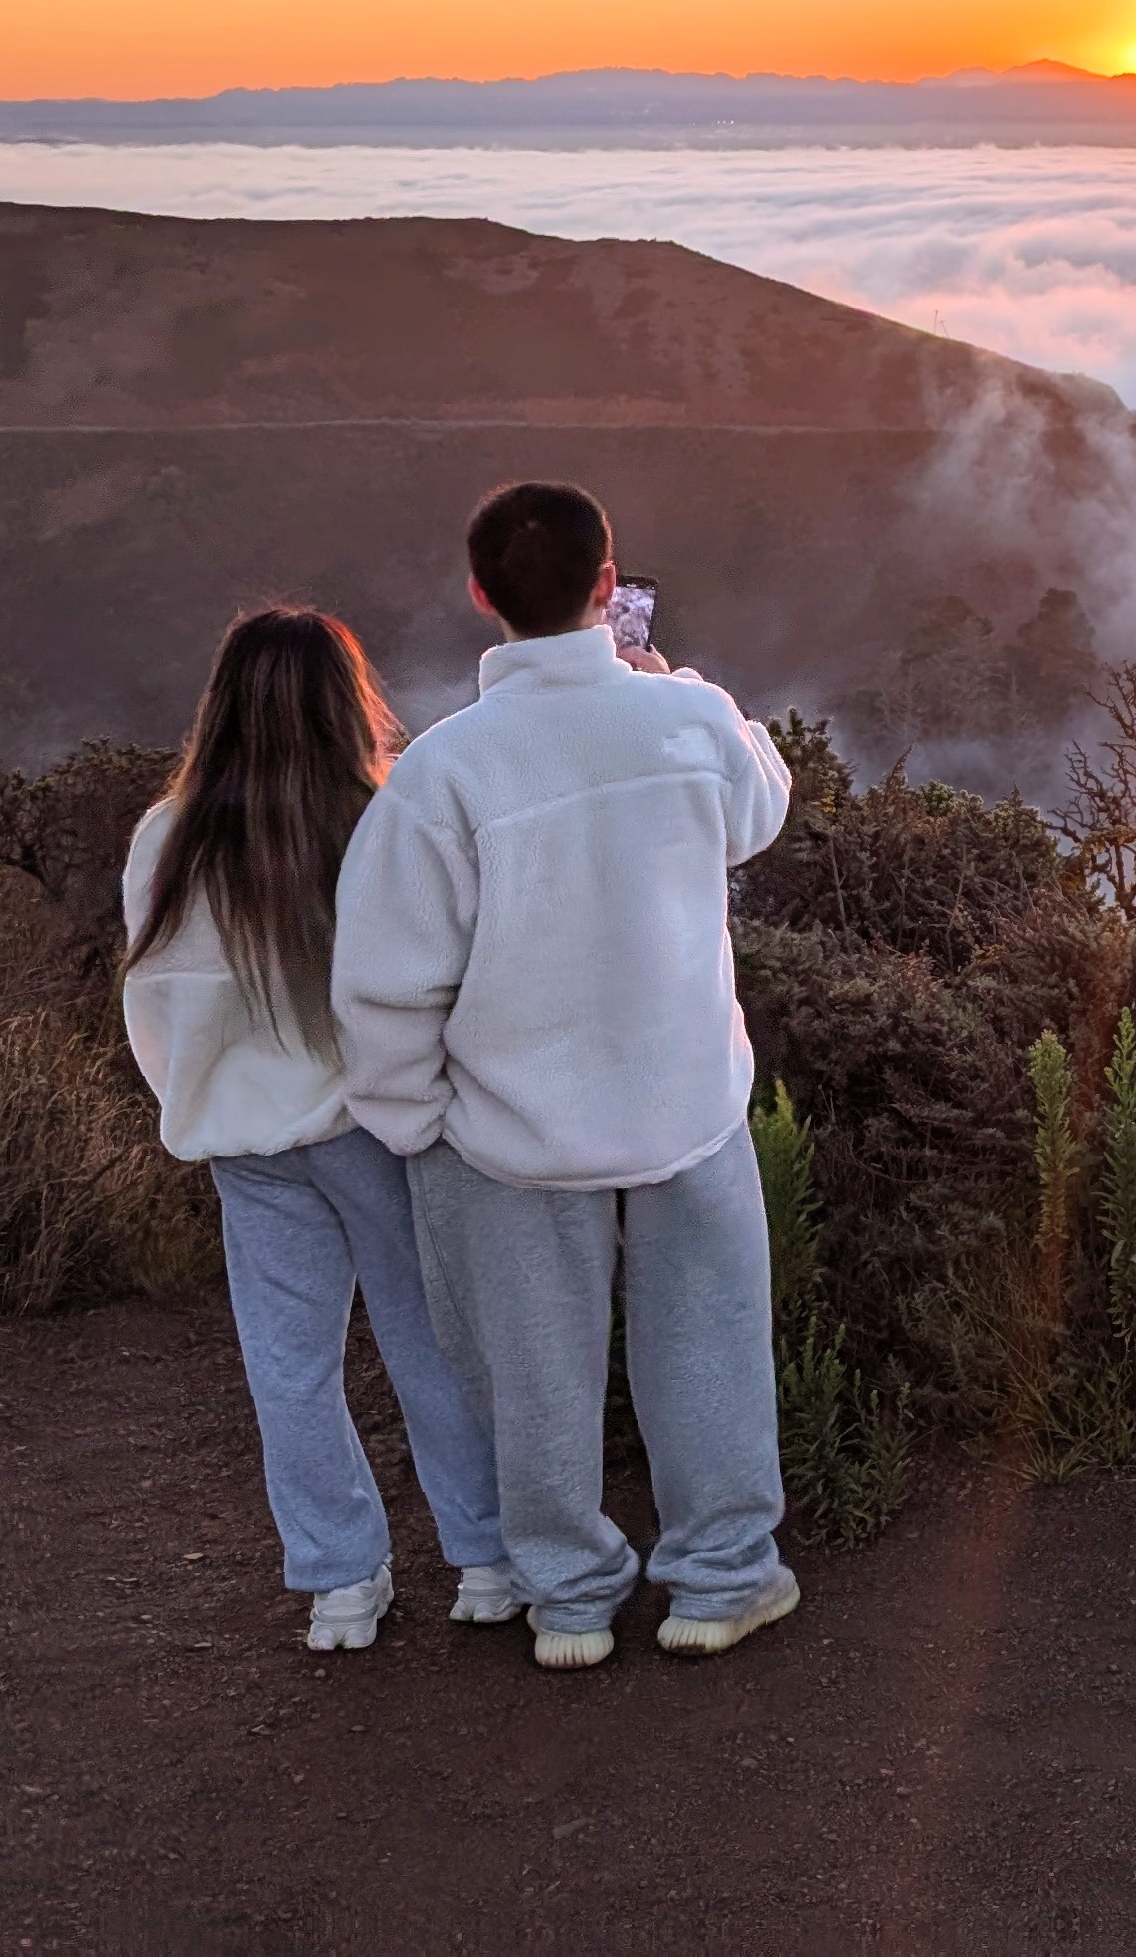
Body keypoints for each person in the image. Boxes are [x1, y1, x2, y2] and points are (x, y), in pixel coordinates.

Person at [334, 480, 801, 1671]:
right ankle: (720, 1579)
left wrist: (415, 1119)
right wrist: (679, 683)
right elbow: (760, 805)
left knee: (530, 1369)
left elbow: (389, 980)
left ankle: (571, 1600)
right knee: (711, 1342)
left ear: (482, 595)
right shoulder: (688, 726)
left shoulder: (442, 774)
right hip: (689, 1101)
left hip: (508, 1129)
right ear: (610, 585)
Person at [120, 606, 510, 1653]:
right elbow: (434, 974)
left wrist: (202, 1098)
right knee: (430, 1340)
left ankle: (341, 1581)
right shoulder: (375, 818)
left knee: (288, 1363)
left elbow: (159, 996)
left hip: (246, 1139)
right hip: (374, 1125)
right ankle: (484, 1559)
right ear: (348, 704)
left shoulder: (168, 835)